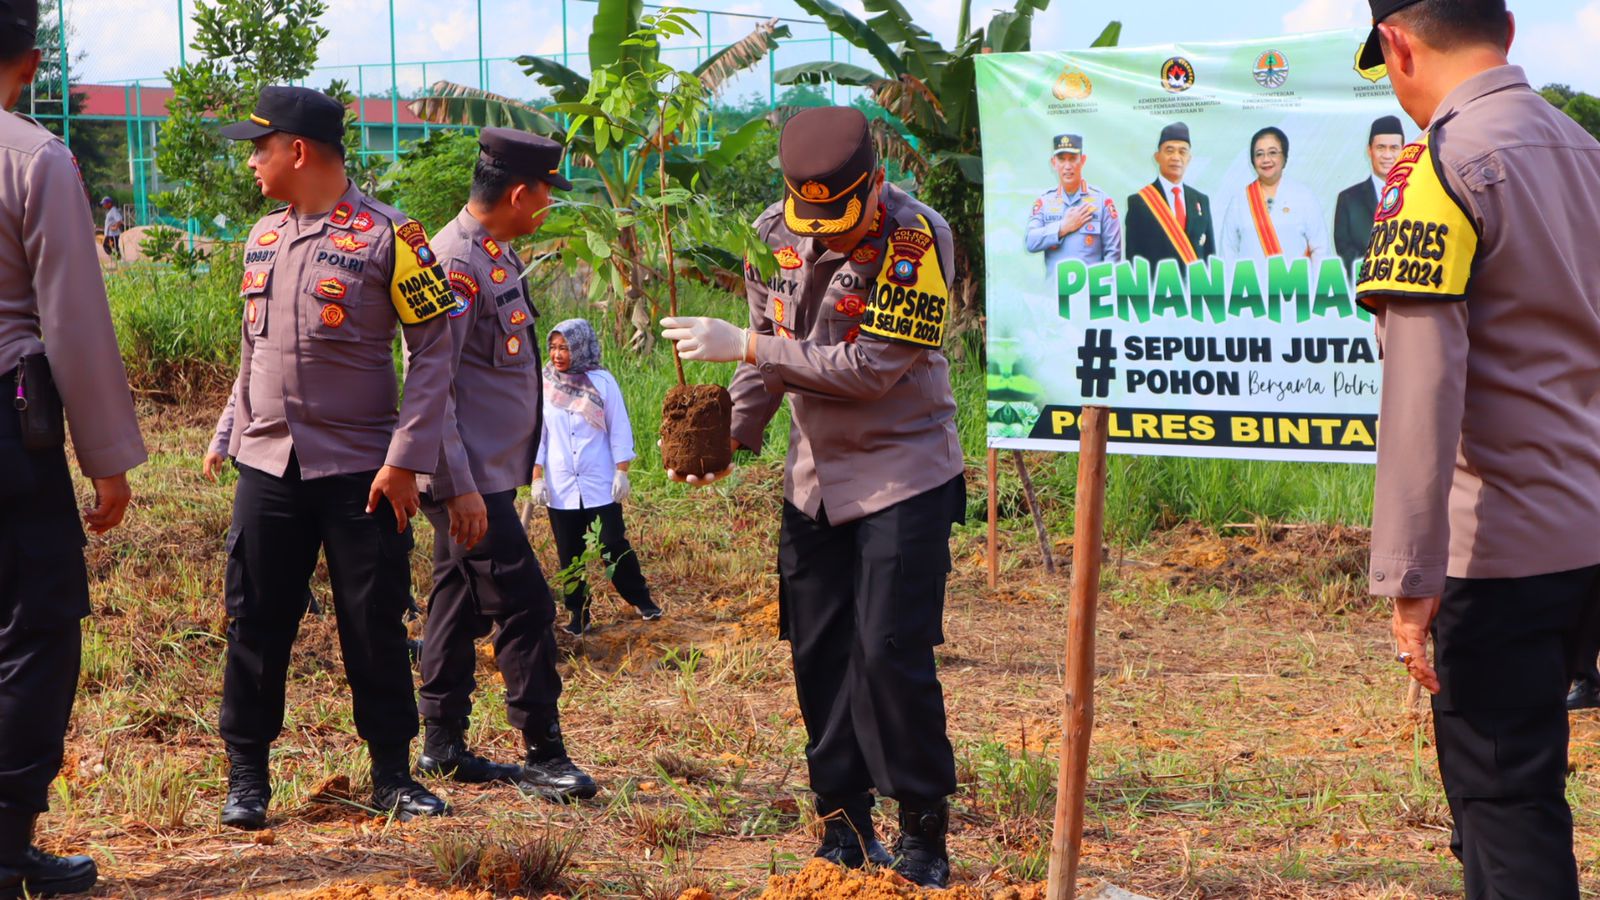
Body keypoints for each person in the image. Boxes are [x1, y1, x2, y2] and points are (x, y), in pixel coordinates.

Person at [660, 106, 966, 889]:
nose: (823, 232)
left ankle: (922, 831)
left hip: (903, 474)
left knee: (889, 652)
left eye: (840, 213)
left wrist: (752, 344)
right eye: (811, 216)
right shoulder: (775, 233)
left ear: (878, 183)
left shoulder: (916, 240)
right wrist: (726, 433)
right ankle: (842, 824)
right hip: (815, 483)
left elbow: (869, 369)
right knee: (819, 650)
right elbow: (763, 359)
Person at [1358, 0, 1600, 895]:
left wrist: (1410, 580)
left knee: (1505, 807)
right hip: (1587, 533)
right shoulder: (1585, 152)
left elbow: (1422, 395)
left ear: (1397, 42)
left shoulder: (1441, 168)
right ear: (1505, 28)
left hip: (1498, 555)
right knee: (1525, 796)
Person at [200, 85, 456, 830]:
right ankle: (247, 777)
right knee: (254, 619)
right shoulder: (261, 237)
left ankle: (392, 775)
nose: (253, 162)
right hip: (269, 466)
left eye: (260, 147)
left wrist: (408, 459)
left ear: (298, 150)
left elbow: (435, 353)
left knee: (373, 621)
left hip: (363, 472)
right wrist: (227, 430)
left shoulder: (394, 236)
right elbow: (255, 352)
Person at [0, 0, 147, 894]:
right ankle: (5, 846)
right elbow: (74, 323)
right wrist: (107, 456)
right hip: (8, 425)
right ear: (32, 54)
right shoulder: (33, 158)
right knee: (33, 629)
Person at [412, 127, 597, 802]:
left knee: (456, 601)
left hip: (483, 473)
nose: (549, 205)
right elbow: (430, 386)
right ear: (521, 193)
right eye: (547, 193)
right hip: (464, 478)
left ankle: (442, 745)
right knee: (525, 604)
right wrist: (458, 488)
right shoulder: (454, 263)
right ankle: (545, 753)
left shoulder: (492, 253)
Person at [531, 318, 659, 636]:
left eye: (565, 347)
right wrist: (537, 477)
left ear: (581, 348)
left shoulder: (602, 383)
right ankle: (578, 614)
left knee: (612, 544)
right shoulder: (544, 383)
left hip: (599, 482)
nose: (558, 354)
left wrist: (621, 472)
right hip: (561, 486)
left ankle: (641, 600)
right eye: (554, 347)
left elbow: (619, 428)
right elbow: (538, 435)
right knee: (569, 553)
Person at [1218, 127, 1329, 262]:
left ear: (1284, 157)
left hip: (1296, 282)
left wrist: (1315, 282)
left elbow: (1320, 249)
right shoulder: (1239, 200)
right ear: (1252, 160)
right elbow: (1228, 251)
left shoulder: (1303, 196)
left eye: (1272, 152)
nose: (1266, 159)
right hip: (1251, 283)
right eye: (1259, 154)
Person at [1023, 134, 1121, 282]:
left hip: (1092, 295)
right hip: (1056, 297)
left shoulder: (1101, 201)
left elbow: (1113, 253)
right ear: (1053, 163)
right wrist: (1063, 227)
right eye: (1062, 159)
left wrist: (1103, 292)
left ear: (1082, 161)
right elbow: (1031, 242)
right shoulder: (1044, 201)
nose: (1067, 166)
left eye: (1073, 158)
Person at [1123, 122, 1215, 267]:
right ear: (1157, 157)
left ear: (1189, 159)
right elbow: (1134, 260)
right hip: (1158, 287)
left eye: (1182, 152)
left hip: (1197, 287)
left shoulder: (1201, 200)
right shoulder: (1140, 202)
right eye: (1169, 150)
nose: (1176, 157)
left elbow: (1210, 256)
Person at [1332, 116, 1406, 269]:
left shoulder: (1417, 196)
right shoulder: (1348, 199)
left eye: (1394, 148)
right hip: (1365, 286)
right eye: (1381, 148)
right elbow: (1344, 251)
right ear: (1369, 150)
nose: (1387, 155)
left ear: (1403, 151)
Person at [99, 196, 123, 260]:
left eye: (105, 204)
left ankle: (117, 258)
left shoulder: (113, 210)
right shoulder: (110, 211)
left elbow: (119, 220)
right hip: (110, 234)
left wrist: (115, 227)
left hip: (113, 235)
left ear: (109, 203)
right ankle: (118, 258)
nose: (104, 206)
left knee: (106, 246)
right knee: (114, 247)